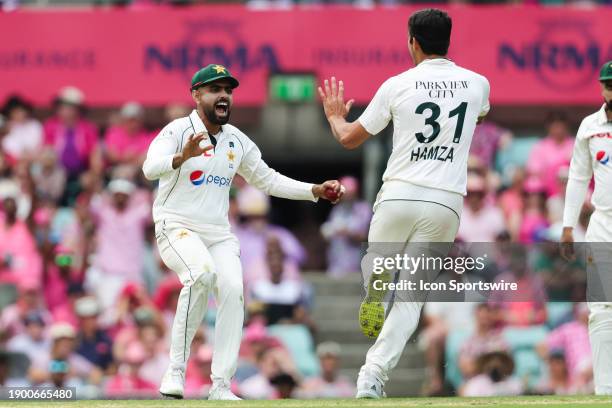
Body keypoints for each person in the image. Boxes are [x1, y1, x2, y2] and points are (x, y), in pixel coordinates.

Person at [142, 63, 344, 400]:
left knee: (234, 292)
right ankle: (175, 369)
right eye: (214, 89)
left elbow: (268, 179)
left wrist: (314, 189)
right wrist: (182, 156)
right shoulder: (177, 131)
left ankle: (221, 386)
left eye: (228, 91)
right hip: (175, 225)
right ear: (196, 95)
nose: (223, 96)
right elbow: (150, 168)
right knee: (202, 275)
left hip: (218, 233)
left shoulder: (237, 140)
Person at [318, 8, 489, 398]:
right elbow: (475, 119)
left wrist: (333, 116)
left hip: (399, 195)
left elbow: (348, 138)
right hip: (445, 205)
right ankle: (372, 376)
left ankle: (376, 282)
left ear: (412, 41)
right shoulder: (478, 84)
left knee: (380, 266)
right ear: (449, 40)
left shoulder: (398, 85)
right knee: (411, 300)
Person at [561, 60, 612, 396]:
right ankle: (605, 391)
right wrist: (567, 226)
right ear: (601, 87)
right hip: (603, 226)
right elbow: (579, 177)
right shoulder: (590, 126)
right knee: (601, 309)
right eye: (609, 85)